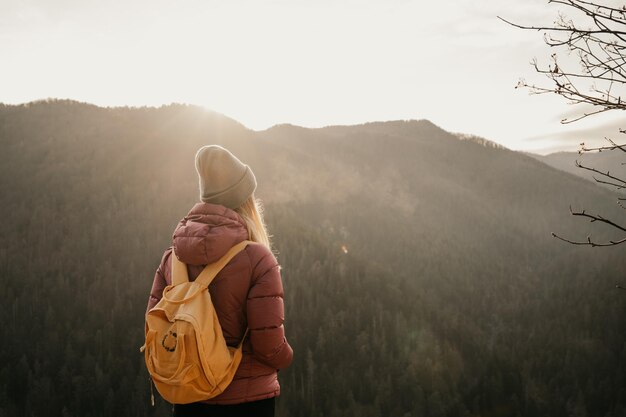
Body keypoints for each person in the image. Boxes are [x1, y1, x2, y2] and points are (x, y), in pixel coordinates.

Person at [146, 145, 294, 417]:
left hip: (189, 393)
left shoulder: (173, 257)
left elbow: (154, 323)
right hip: (247, 401)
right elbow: (268, 344)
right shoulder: (258, 258)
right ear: (246, 201)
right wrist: (287, 357)